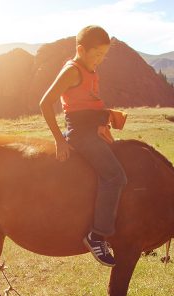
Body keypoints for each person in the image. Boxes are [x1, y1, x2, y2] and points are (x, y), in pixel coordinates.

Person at [39, 25, 127, 267]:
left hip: (93, 129)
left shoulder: (90, 69)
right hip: (81, 135)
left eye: (104, 56)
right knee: (115, 177)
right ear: (81, 50)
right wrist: (59, 139)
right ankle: (97, 236)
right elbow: (45, 103)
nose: (100, 60)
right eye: (97, 54)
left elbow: (87, 103)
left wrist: (104, 119)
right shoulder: (72, 71)